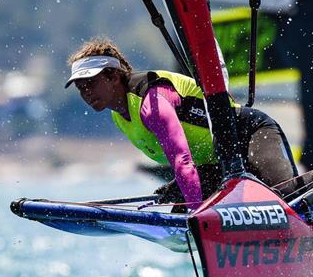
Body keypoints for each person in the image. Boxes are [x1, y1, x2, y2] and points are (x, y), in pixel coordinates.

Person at [65, 38, 299, 209]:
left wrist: (197, 211)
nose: (86, 93)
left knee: (288, 195)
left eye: (91, 83)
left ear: (113, 76)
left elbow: (182, 159)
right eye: (80, 87)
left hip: (250, 133)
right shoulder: (118, 116)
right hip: (219, 162)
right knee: (179, 206)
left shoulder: (151, 103)